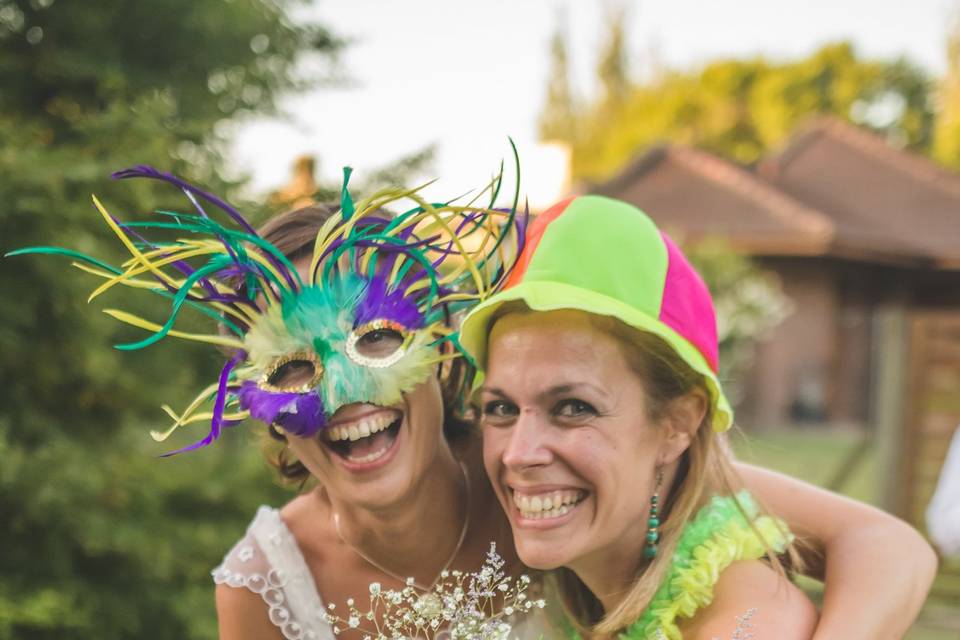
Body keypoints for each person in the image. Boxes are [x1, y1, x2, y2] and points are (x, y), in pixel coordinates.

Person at [10, 169, 937, 640]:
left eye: (373, 341)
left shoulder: (539, 480)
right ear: (257, 405)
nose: (341, 396)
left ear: (434, 357)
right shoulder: (261, 587)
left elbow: (884, 543)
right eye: (293, 369)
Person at [459, 195, 938, 638]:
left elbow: (893, 546)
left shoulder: (745, 624)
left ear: (678, 425)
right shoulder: (642, 513)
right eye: (501, 408)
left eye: (573, 408)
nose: (519, 453)